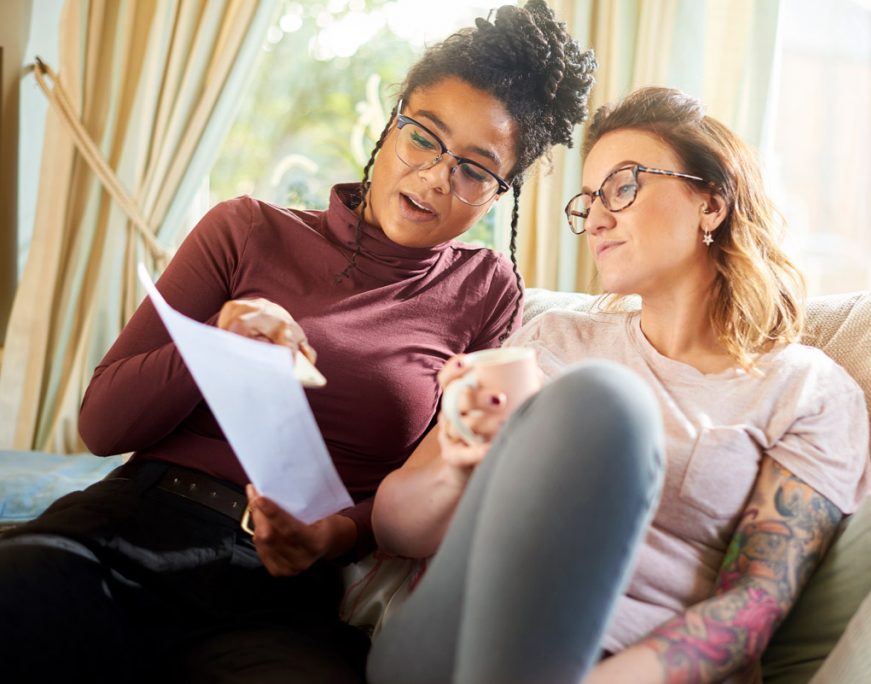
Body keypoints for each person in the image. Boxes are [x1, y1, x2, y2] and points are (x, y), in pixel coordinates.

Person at [0, 2, 596, 681]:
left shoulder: (484, 290)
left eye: (475, 170)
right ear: (391, 124)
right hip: (130, 526)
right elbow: (103, 427)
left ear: (497, 194)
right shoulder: (245, 229)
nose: (437, 175)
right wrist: (216, 344)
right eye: (424, 137)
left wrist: (332, 535)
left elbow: (430, 478)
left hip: (281, 588)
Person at [367, 86, 871, 684]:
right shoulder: (552, 339)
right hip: (452, 635)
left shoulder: (807, 391)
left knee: (608, 403)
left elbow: (752, 607)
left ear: (711, 204)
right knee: (599, 399)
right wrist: (461, 460)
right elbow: (395, 530)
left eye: (622, 187)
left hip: (617, 666)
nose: (597, 219)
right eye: (588, 201)